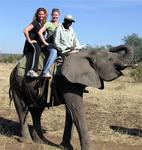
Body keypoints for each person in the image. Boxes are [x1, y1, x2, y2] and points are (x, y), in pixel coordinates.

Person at [23, 8, 47, 77]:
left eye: (42, 14)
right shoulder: (35, 22)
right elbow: (25, 30)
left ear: (45, 15)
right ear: (37, 14)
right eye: (39, 14)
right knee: (37, 49)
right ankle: (32, 70)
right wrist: (29, 40)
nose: (41, 15)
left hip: (37, 43)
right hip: (31, 42)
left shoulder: (42, 24)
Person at [38, 8, 60, 78]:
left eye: (56, 15)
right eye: (54, 15)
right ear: (51, 15)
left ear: (59, 15)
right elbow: (40, 32)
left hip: (59, 45)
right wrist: (45, 42)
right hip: (50, 45)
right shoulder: (48, 23)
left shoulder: (60, 25)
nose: (55, 16)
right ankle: (45, 72)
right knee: (54, 52)